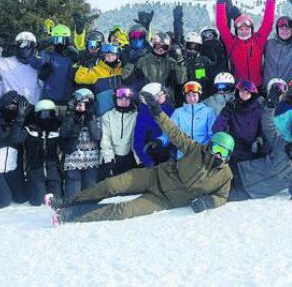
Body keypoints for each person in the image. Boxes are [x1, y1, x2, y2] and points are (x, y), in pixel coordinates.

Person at [46, 91, 233, 224]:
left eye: (223, 152)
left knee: (122, 211)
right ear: (210, 144)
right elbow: (175, 133)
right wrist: (158, 112)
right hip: (155, 176)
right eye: (216, 148)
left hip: (164, 200)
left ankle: (69, 216)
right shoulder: (195, 149)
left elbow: (222, 196)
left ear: (228, 156)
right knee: (111, 185)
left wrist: (208, 202)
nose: (218, 154)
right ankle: (66, 202)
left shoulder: (225, 175)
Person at [229, 111, 292, 202]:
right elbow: (268, 126)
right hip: (239, 172)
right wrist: (270, 107)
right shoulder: (281, 145)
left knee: (219, 197)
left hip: (249, 192)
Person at [215, 0, 276, 88]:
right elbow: (221, 26)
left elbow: (268, 23)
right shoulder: (232, 42)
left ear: (251, 29)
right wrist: (220, 3)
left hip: (257, 86)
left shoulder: (258, 40)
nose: (244, 31)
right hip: (239, 87)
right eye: (240, 29)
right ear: (236, 30)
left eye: (247, 28)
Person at [0, 91, 30, 208]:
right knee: (3, 202)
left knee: (22, 198)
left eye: (15, 106)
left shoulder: (21, 122)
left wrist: (20, 117)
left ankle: (5, 186)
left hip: (11, 169)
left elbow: (15, 139)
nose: (11, 109)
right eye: (8, 106)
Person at [122, 32, 186, 105]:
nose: (161, 50)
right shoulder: (143, 61)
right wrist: (131, 63)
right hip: (147, 101)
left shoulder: (171, 62)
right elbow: (128, 79)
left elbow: (180, 80)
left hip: (166, 101)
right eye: (157, 46)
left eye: (164, 47)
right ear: (152, 46)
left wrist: (180, 63)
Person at [60, 88, 101, 200]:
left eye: (85, 103)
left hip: (91, 160)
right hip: (73, 160)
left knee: (90, 194)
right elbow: (63, 134)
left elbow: (96, 136)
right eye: (78, 103)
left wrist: (89, 117)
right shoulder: (69, 117)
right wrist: (70, 114)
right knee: (72, 194)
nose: (81, 105)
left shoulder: (96, 118)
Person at [212, 79, 264, 168]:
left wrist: (259, 141)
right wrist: (225, 113)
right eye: (242, 91)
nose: (244, 94)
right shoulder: (232, 107)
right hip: (235, 152)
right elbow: (216, 130)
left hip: (252, 151)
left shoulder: (258, 110)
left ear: (253, 94)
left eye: (248, 93)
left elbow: (263, 129)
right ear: (237, 92)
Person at [0, 31, 43, 105]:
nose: (25, 48)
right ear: (16, 46)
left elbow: (45, 86)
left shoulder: (38, 65)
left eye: (29, 45)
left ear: (33, 47)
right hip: (11, 110)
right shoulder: (6, 63)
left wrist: (44, 77)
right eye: (22, 44)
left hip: (32, 109)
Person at [160, 81, 217, 158]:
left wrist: (212, 151)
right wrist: (160, 140)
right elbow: (171, 131)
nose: (192, 98)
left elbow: (213, 134)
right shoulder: (178, 112)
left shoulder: (208, 112)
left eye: (194, 95)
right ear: (185, 97)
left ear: (199, 96)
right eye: (188, 96)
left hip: (202, 153)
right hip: (183, 154)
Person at [23, 99, 63, 206]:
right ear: (37, 115)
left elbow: (65, 145)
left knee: (57, 200)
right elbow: (17, 139)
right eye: (44, 114)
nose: (47, 118)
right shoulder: (29, 129)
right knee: (38, 202)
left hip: (53, 169)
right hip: (36, 170)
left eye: (50, 114)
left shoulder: (58, 128)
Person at [29, 24, 78, 105]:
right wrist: (37, 49)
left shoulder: (71, 56)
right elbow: (35, 63)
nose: (59, 43)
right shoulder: (48, 55)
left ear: (68, 41)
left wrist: (77, 60)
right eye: (56, 39)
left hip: (67, 101)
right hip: (49, 100)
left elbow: (77, 76)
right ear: (52, 40)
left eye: (62, 40)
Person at [99, 87, 138, 180]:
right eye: (120, 99)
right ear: (115, 99)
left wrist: (140, 160)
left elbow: (137, 138)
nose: (124, 101)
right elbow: (105, 139)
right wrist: (108, 160)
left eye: (127, 99)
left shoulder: (136, 116)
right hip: (113, 157)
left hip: (130, 156)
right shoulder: (108, 116)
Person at [132, 83, 175, 168]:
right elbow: (138, 144)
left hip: (171, 152)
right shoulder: (143, 117)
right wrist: (149, 163)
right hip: (155, 156)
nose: (165, 95)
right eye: (162, 93)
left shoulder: (169, 109)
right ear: (153, 99)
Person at [75, 43, 124, 116]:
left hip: (119, 113)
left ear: (117, 56)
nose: (110, 58)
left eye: (113, 55)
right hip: (103, 112)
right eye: (107, 55)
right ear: (103, 56)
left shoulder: (121, 70)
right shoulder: (97, 70)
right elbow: (78, 79)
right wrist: (84, 66)